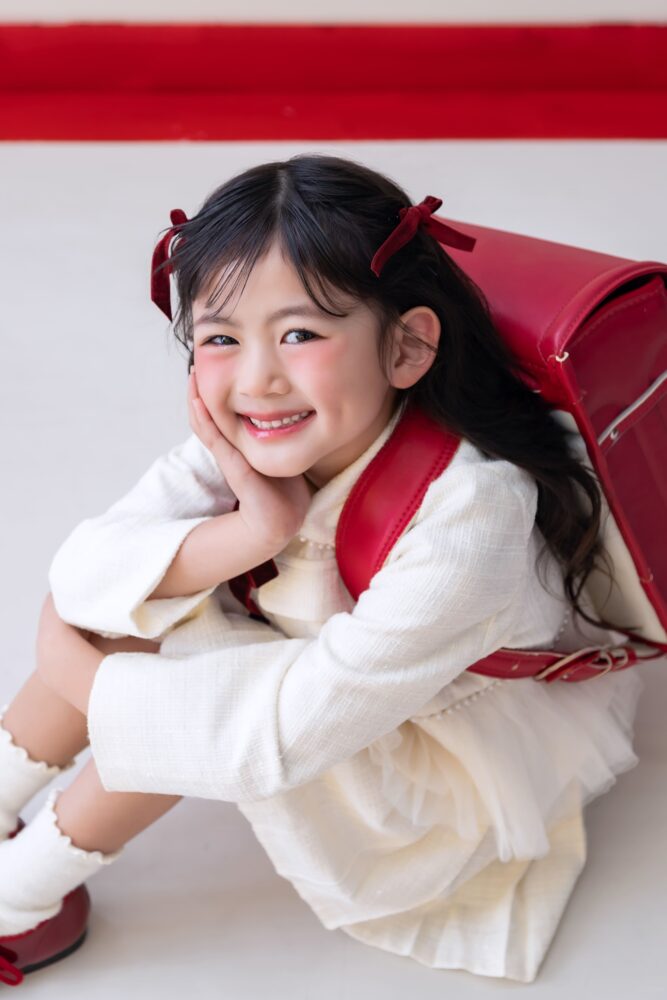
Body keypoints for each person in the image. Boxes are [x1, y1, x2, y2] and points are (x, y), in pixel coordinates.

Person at [0, 154, 643, 984]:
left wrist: (81, 673)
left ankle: (17, 899)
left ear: (407, 346)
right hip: (326, 687)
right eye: (221, 338)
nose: (258, 379)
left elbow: (275, 738)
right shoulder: (263, 433)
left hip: (420, 762)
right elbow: (92, 573)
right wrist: (254, 529)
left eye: (299, 334)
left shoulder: (471, 516)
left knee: (171, 668)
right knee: (138, 608)